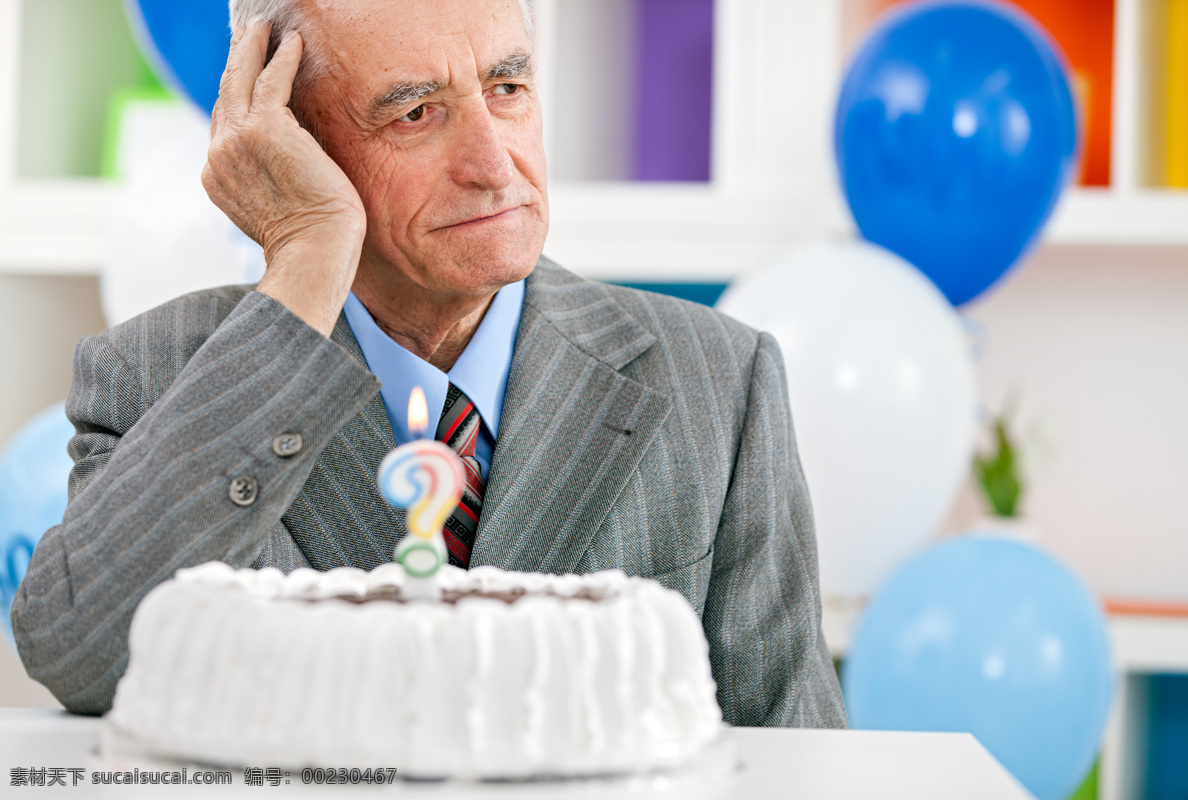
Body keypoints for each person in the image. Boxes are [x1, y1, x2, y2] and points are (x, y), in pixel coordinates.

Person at [12, 0, 847, 728]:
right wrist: (305, 257)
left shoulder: (719, 379)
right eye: (415, 112)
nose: (495, 166)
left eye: (508, 88)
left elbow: (790, 764)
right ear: (287, 138)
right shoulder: (154, 374)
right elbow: (84, 654)